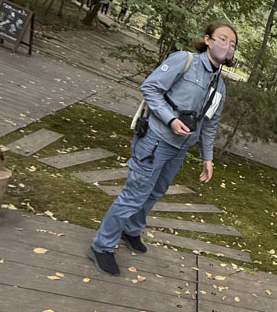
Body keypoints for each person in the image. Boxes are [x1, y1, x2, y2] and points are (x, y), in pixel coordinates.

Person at [87, 20, 237, 276]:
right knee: (134, 194)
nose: (227, 46)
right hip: (155, 140)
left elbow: (210, 124)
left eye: (232, 44)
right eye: (223, 39)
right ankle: (101, 246)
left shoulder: (219, 86)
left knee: (155, 192)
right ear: (208, 40)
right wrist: (171, 119)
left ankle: (131, 230)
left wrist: (207, 158)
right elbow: (150, 88)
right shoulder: (184, 60)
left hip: (180, 150)